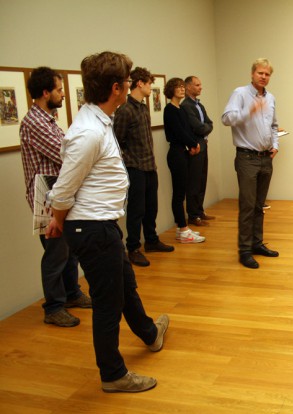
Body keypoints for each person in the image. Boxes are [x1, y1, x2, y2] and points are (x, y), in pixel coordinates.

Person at [46, 52, 168, 393]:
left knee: (125, 285)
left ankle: (149, 333)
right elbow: (63, 190)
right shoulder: (88, 132)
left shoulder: (100, 120)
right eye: (127, 82)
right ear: (116, 88)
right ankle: (113, 375)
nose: (129, 86)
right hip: (92, 228)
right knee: (107, 302)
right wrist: (57, 221)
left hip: (101, 225)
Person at [19, 67, 92, 327]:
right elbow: (65, 154)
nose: (63, 94)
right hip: (45, 194)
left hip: (56, 191)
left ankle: (71, 294)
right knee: (55, 253)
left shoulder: (48, 119)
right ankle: (53, 308)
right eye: (59, 90)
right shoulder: (35, 122)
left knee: (68, 249)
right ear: (45, 92)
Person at [222, 58, 280, 269]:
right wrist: (250, 111)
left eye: (267, 74)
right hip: (247, 158)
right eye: (260, 73)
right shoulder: (240, 93)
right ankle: (244, 251)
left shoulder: (271, 98)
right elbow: (226, 119)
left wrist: (275, 145)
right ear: (252, 74)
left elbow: (274, 125)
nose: (263, 77)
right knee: (247, 206)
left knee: (259, 206)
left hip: (265, 158)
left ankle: (257, 243)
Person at [113, 67, 174, 267]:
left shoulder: (143, 108)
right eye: (149, 84)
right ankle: (133, 248)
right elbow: (117, 140)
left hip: (149, 166)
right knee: (136, 210)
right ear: (140, 83)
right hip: (135, 168)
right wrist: (128, 159)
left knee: (151, 207)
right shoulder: (125, 110)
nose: (150, 88)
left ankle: (151, 240)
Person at [163, 78, 205, 244]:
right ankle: (183, 229)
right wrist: (194, 144)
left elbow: (187, 131)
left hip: (184, 152)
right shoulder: (169, 110)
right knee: (179, 194)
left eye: (182, 86)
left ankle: (183, 228)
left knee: (182, 193)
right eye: (178, 87)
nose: (181, 89)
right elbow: (179, 133)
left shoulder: (180, 109)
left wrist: (192, 145)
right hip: (176, 154)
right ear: (171, 90)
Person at [181, 76, 215, 227]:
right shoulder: (186, 106)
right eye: (197, 85)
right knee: (194, 182)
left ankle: (200, 211)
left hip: (203, 145)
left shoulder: (199, 105)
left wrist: (205, 128)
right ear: (188, 87)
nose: (200, 87)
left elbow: (209, 123)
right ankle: (193, 215)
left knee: (202, 180)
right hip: (195, 147)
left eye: (200, 84)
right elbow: (198, 127)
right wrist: (205, 128)